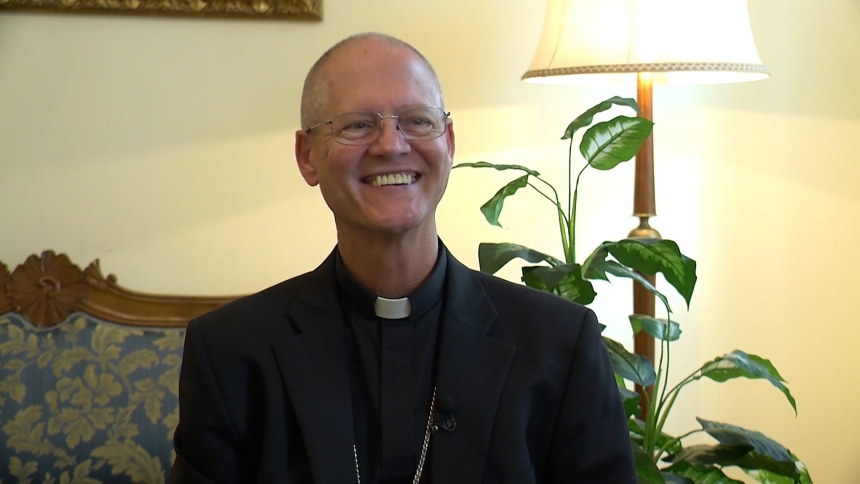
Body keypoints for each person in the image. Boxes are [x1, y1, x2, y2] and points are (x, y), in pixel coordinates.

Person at [169, 32, 636, 484]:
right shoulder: (231, 352)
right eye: (357, 124)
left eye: (417, 121)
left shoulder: (559, 345)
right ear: (307, 156)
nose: (391, 145)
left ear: (448, 143)